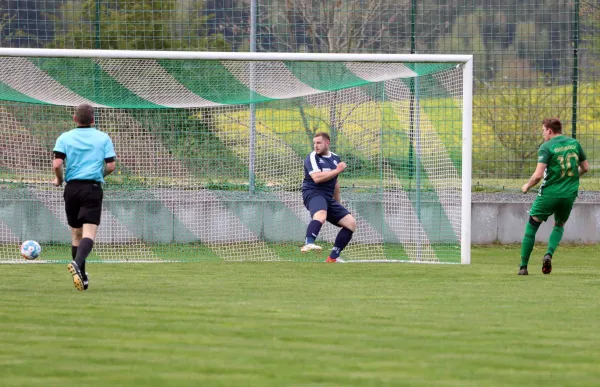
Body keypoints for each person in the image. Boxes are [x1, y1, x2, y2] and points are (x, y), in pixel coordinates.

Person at [52, 103, 116, 290]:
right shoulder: (103, 137)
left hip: (71, 189)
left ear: (74, 119)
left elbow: (57, 164)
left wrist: (59, 180)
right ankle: (77, 264)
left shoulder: (65, 137)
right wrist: (98, 176)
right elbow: (111, 166)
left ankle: (82, 278)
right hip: (92, 188)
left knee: (76, 234)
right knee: (89, 234)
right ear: (93, 120)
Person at [519, 118, 589, 275]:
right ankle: (548, 254)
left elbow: (537, 176)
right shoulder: (574, 143)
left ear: (549, 130)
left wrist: (526, 186)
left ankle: (523, 267)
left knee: (531, 226)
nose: (543, 133)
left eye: (543, 130)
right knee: (559, 225)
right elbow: (585, 167)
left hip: (549, 194)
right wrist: (571, 178)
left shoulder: (546, 147)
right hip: (569, 195)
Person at [301, 132, 356, 263]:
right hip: (313, 192)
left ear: (327, 143)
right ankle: (309, 243)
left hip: (328, 197)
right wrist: (337, 170)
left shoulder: (336, 158)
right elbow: (317, 178)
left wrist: (338, 204)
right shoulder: (312, 157)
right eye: (314, 143)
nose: (315, 146)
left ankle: (332, 258)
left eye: (319, 143)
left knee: (350, 223)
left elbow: (335, 183)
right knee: (321, 215)